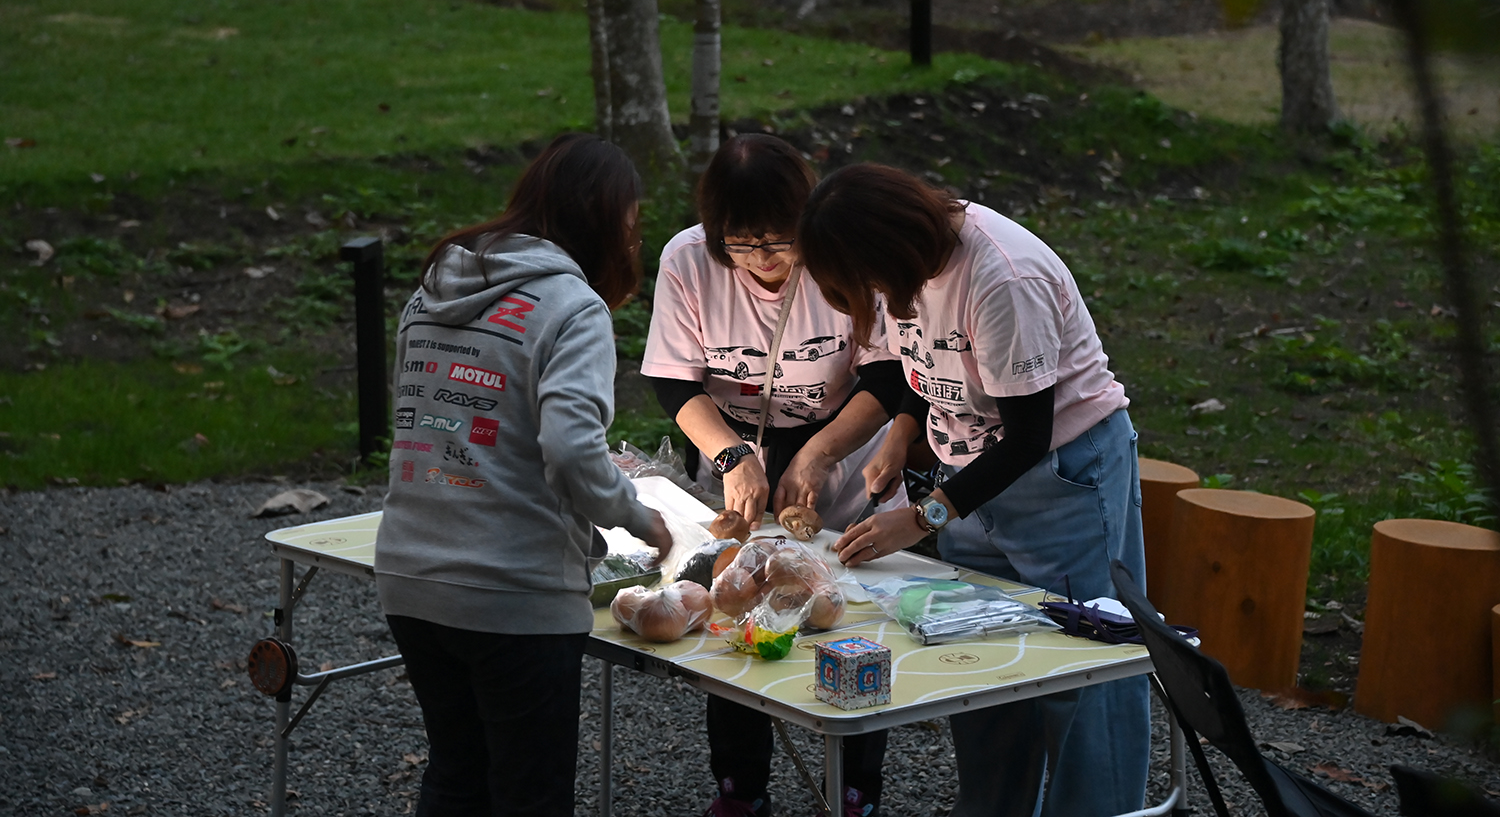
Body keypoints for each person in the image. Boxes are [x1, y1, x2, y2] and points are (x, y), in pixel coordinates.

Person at [802, 163, 1149, 817]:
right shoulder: (902, 265)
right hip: (967, 479)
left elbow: (1025, 437)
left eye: (871, 279)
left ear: (894, 250)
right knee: (980, 656)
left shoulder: (1002, 277)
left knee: (1086, 667)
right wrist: (903, 434)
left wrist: (924, 519)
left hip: (1061, 476)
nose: (873, 293)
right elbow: (923, 359)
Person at [374, 134, 673, 817]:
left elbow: (428, 418)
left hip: (409, 575)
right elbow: (571, 449)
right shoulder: (573, 308)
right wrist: (635, 514)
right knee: (528, 796)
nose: (632, 242)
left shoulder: (429, 293)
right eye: (630, 224)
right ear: (599, 221)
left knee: (456, 777)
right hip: (513, 589)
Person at [640, 135, 908, 817]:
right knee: (739, 611)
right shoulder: (687, 260)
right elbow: (673, 378)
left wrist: (821, 453)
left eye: (778, 242)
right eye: (741, 243)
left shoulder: (837, 255)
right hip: (739, 455)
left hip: (841, 451)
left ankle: (855, 788)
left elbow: (885, 372)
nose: (762, 259)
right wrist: (731, 456)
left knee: (848, 619)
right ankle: (739, 787)